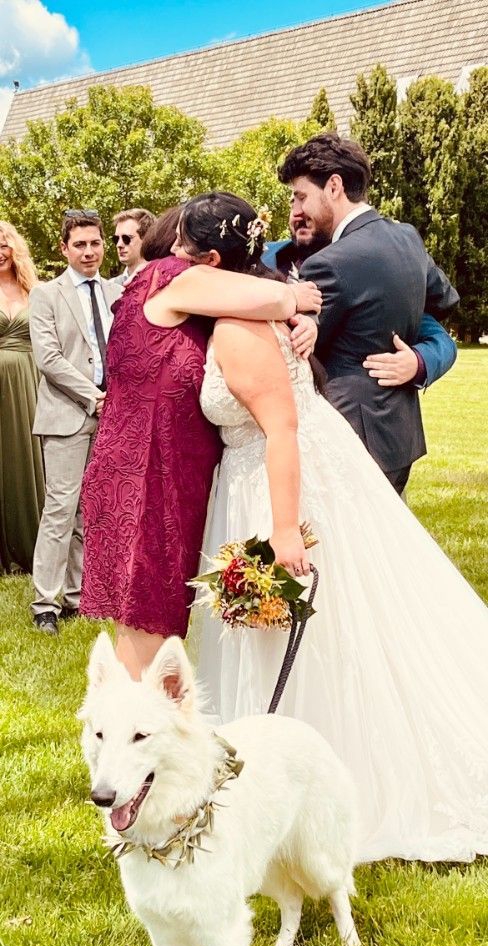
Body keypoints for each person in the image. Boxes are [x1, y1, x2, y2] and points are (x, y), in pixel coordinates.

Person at [176, 191, 488, 865]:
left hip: (278, 481)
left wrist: (284, 532)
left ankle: (307, 784)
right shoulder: (269, 296)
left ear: (207, 258)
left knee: (302, 628)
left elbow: (281, 431)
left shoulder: (236, 326)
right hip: (295, 466)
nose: (174, 260)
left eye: (183, 249)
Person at [79, 214, 321, 680]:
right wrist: (297, 298)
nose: (178, 251)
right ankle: (133, 738)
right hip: (144, 475)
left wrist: (304, 317)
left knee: (153, 626)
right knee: (145, 623)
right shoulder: (169, 275)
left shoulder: (197, 302)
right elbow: (272, 294)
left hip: (164, 473)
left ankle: (147, 734)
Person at [277, 133, 460, 494]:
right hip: (399, 436)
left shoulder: (328, 263)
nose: (297, 208)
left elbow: (300, 351)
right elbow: (445, 299)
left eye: (301, 196)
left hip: (350, 436)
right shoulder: (407, 236)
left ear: (334, 187)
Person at [29, 209, 120, 635]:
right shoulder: (46, 294)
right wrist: (94, 396)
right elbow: (48, 359)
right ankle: (44, 602)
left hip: (109, 417)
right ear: (64, 248)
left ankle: (77, 596)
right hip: (67, 414)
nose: (89, 251)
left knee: (90, 510)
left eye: (95, 243)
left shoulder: (114, 290)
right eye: (79, 244)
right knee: (60, 509)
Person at [263, 210, 457, 393]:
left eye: (306, 202)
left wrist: (418, 363)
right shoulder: (263, 256)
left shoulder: (369, 271)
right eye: (294, 201)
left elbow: (441, 340)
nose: (298, 212)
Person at [0, 221, 44, 573]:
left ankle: (32, 546)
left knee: (28, 456)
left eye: (4, 245)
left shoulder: (37, 291)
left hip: (30, 382)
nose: (0, 253)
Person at [111, 207, 155, 285]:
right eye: (116, 239)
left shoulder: (162, 282)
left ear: (146, 238)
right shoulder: (110, 287)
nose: (119, 244)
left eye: (126, 238)